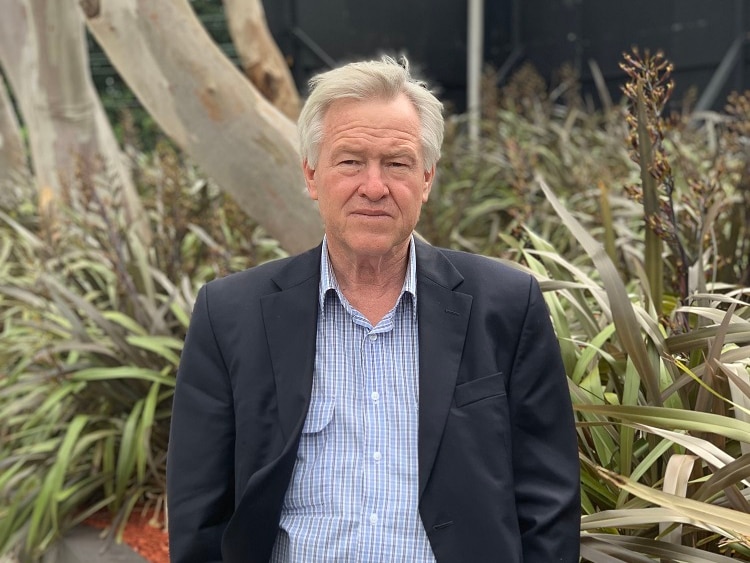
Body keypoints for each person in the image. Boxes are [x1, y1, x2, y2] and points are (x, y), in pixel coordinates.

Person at [167, 55, 580, 563]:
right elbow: (198, 511)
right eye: (350, 161)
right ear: (312, 175)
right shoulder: (230, 315)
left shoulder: (506, 305)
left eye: (397, 163)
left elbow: (549, 500)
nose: (374, 186)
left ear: (427, 178)